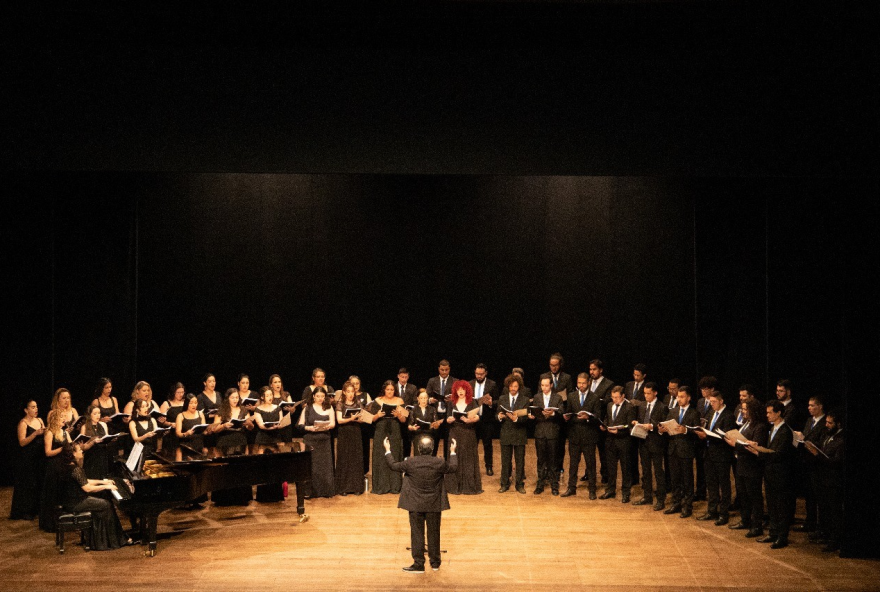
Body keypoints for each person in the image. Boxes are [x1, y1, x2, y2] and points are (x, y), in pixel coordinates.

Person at [384, 434, 458, 573]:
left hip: (415, 503)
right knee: (434, 533)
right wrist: (453, 451)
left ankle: (419, 564)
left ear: (418, 448)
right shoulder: (439, 462)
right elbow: (453, 467)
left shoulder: (410, 462)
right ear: (432, 449)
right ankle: (435, 563)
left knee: (417, 533)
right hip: (434, 503)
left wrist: (388, 449)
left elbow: (393, 465)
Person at [57, 443, 130, 550]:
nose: (82, 451)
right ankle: (107, 542)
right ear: (73, 453)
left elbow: (85, 481)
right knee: (106, 504)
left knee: (103, 501)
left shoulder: (68, 466)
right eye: (79, 450)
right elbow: (87, 488)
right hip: (76, 503)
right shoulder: (75, 469)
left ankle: (108, 539)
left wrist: (103, 482)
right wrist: (106, 487)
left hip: (71, 500)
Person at [745, 400, 797, 549]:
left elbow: (779, 454)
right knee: (772, 505)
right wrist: (758, 447)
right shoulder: (772, 429)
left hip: (781, 475)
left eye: (769, 412)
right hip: (770, 473)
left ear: (778, 413)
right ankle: (773, 533)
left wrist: (758, 452)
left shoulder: (785, 431)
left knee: (781, 506)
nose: (766, 415)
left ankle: (782, 536)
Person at [725, 397, 768, 538]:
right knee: (743, 494)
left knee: (754, 496)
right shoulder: (746, 423)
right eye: (742, 409)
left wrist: (735, 444)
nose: (743, 412)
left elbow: (756, 446)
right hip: (742, 464)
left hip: (752, 466)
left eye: (745, 409)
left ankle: (757, 525)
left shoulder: (760, 426)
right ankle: (745, 520)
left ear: (753, 410)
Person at [694, 391, 735, 525]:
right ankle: (712, 511)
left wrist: (707, 436)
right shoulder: (711, 413)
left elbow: (725, 436)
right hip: (709, 453)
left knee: (724, 484)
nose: (711, 404)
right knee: (711, 483)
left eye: (714, 402)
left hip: (722, 454)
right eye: (710, 402)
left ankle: (724, 513)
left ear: (721, 401)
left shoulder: (728, 415)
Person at [561, 372, 603, 498]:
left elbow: (598, 417)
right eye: (579, 383)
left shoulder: (594, 397)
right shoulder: (572, 396)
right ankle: (571, 487)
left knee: (590, 464)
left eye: (583, 383)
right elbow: (568, 411)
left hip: (589, 436)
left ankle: (592, 489)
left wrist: (588, 418)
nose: (581, 385)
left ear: (588, 383)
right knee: (573, 464)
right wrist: (566, 417)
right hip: (574, 435)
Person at [660, 385, 700, 518]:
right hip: (673, 449)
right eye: (678, 397)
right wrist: (662, 430)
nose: (679, 399)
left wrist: (686, 430)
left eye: (682, 397)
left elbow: (697, 432)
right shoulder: (673, 411)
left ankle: (687, 505)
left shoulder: (694, 413)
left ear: (688, 398)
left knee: (687, 479)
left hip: (686, 450)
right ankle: (676, 503)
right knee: (675, 479)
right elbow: (666, 426)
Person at [210, 391, 254, 505]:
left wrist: (248, 424)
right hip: (225, 441)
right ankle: (224, 499)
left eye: (237, 398)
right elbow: (214, 429)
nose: (235, 400)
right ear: (227, 399)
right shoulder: (222, 410)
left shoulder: (243, 410)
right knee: (225, 469)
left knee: (240, 469)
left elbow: (251, 427)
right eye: (232, 398)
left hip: (240, 440)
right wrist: (224, 425)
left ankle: (241, 497)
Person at [793, 395, 828, 535]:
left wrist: (805, 439)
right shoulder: (809, 421)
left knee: (819, 496)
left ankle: (821, 526)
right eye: (808, 405)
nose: (809, 408)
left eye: (813, 405)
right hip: (806, 463)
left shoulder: (825, 422)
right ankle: (810, 522)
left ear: (820, 407)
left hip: (818, 465)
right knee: (809, 495)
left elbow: (822, 443)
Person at [631, 382, 668, 510]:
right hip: (644, 442)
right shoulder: (642, 405)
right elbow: (640, 420)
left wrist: (652, 426)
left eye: (648, 393)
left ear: (655, 393)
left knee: (658, 472)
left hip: (656, 443)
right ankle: (647, 496)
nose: (646, 396)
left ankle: (661, 499)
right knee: (645, 471)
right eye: (645, 393)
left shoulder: (662, 407)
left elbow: (664, 424)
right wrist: (637, 423)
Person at [368, 381, 408, 494]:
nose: (390, 392)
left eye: (391, 389)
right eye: (387, 389)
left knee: (395, 454)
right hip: (381, 429)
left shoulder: (400, 401)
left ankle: (395, 486)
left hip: (395, 429)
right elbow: (371, 419)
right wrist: (378, 415)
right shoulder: (378, 400)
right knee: (380, 455)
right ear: (384, 390)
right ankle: (381, 486)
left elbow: (404, 420)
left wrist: (399, 415)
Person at [443, 380, 482, 495]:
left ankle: (468, 486)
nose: (460, 392)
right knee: (455, 456)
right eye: (458, 389)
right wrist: (449, 419)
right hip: (455, 432)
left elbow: (477, 417)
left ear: (467, 390)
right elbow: (447, 418)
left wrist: (470, 420)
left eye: (463, 389)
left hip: (468, 432)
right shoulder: (451, 403)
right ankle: (454, 486)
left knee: (468, 458)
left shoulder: (472, 402)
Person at [10, 398, 46, 520]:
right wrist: (35, 434)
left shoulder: (40, 420)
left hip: (39, 457)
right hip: (27, 459)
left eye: (36, 407)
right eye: (32, 407)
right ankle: (25, 511)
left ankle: (36, 509)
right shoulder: (23, 423)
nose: (36, 409)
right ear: (26, 410)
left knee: (38, 483)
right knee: (28, 484)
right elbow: (22, 442)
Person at [599, 386, 635, 503]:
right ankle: (610, 490)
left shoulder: (629, 407)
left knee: (626, 469)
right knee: (611, 468)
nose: (614, 399)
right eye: (613, 397)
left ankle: (626, 492)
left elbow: (630, 426)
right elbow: (607, 419)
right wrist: (604, 426)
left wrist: (619, 431)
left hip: (623, 442)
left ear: (623, 396)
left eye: (616, 397)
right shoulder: (609, 405)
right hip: (610, 441)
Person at [299, 389, 336, 498]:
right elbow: (300, 425)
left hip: (324, 440)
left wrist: (328, 426)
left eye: (322, 396)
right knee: (312, 466)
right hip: (311, 440)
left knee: (324, 466)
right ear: (313, 396)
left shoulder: (329, 408)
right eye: (318, 396)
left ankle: (326, 491)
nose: (320, 398)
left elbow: (333, 423)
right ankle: (310, 491)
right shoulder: (307, 408)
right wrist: (309, 428)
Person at [39, 408, 73, 532]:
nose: (64, 420)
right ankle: (51, 523)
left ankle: (65, 522)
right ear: (55, 419)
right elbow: (48, 452)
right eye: (61, 418)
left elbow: (71, 446)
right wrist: (62, 449)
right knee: (53, 494)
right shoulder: (49, 433)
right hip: (54, 466)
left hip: (64, 466)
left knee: (63, 493)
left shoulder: (65, 433)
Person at [529, 376, 563, 495]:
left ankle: (554, 485)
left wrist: (553, 413)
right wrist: (533, 415)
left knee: (553, 460)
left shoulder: (557, 397)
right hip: (540, 432)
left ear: (551, 385)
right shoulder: (537, 397)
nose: (544, 388)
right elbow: (534, 412)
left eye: (546, 385)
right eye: (542, 385)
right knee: (541, 460)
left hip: (552, 432)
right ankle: (540, 484)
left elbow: (562, 413)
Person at [497, 373, 530, 494]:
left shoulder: (525, 400)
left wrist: (516, 419)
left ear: (519, 387)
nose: (513, 389)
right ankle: (504, 483)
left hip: (519, 433)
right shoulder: (502, 399)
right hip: (506, 433)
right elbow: (497, 415)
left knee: (520, 460)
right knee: (505, 461)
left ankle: (520, 484)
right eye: (511, 386)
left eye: (515, 386)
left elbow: (526, 418)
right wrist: (499, 416)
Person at [253, 385, 286, 502]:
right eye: (267, 395)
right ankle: (263, 496)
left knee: (276, 466)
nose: (270, 397)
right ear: (262, 397)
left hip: (275, 438)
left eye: (271, 395)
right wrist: (271, 427)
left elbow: (281, 422)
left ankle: (276, 495)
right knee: (263, 467)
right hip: (263, 439)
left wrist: (279, 425)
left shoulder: (277, 408)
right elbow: (261, 425)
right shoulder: (258, 409)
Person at [541, 353, 572, 476]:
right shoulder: (544, 376)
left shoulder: (567, 377)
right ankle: (548, 468)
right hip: (547, 414)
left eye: (555, 365)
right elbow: (540, 394)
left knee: (560, 443)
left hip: (560, 414)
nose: (553, 368)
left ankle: (559, 467)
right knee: (547, 443)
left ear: (560, 365)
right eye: (551, 365)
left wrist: (560, 398)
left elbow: (570, 396)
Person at [335, 381, 365, 496]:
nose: (351, 394)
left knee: (355, 458)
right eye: (348, 392)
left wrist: (358, 419)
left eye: (352, 391)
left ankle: (356, 487)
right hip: (344, 432)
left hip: (355, 432)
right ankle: (343, 488)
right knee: (344, 458)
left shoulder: (357, 403)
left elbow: (362, 418)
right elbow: (339, 420)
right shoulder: (340, 403)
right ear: (344, 392)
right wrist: (351, 419)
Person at [470, 363, 498, 476]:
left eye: (481, 374)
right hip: (473, 419)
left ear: (485, 373)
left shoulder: (492, 384)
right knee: (472, 444)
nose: (479, 376)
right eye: (477, 373)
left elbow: (497, 401)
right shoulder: (470, 384)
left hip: (487, 420)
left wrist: (491, 403)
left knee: (487, 444)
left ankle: (489, 467)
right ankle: (472, 467)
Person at [425, 360, 457, 457]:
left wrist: (453, 399)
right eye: (442, 370)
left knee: (448, 441)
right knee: (434, 440)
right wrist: (430, 400)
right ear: (439, 369)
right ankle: (432, 463)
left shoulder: (455, 381)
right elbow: (426, 396)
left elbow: (460, 397)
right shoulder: (432, 381)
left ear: (449, 369)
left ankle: (447, 464)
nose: (444, 372)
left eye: (446, 370)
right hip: (436, 415)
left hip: (448, 415)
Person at [80, 404, 113, 479]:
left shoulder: (103, 424)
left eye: (99, 413)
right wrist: (93, 442)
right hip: (91, 458)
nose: (98, 415)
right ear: (89, 415)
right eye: (95, 414)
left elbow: (106, 438)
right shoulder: (84, 427)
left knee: (104, 479)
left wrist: (111, 439)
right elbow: (83, 447)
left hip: (102, 456)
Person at [350, 375, 373, 475]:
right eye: (353, 383)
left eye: (357, 383)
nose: (355, 385)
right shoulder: (346, 396)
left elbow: (371, 410)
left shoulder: (365, 395)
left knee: (364, 449)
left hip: (363, 427)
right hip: (351, 426)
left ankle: (363, 473)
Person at [408, 390, 442, 455]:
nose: (423, 400)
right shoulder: (414, 409)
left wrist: (436, 425)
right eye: (421, 398)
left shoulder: (432, 409)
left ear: (427, 398)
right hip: (418, 434)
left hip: (429, 434)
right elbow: (409, 425)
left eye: (425, 398)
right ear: (418, 399)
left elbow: (436, 423)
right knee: (418, 456)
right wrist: (412, 428)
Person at [159, 383, 187, 450]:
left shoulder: (186, 402)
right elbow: (160, 420)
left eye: (182, 392)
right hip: (172, 435)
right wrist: (170, 424)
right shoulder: (167, 404)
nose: (181, 394)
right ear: (173, 392)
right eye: (178, 392)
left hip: (185, 433)